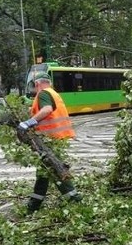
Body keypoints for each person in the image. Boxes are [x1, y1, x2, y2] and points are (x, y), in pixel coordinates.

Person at [18, 72, 83, 213]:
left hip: (50, 139)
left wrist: (29, 122)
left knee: (54, 170)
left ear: (37, 83)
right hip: (56, 138)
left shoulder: (43, 94)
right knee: (46, 171)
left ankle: (74, 199)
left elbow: (47, 110)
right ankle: (34, 204)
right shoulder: (53, 93)